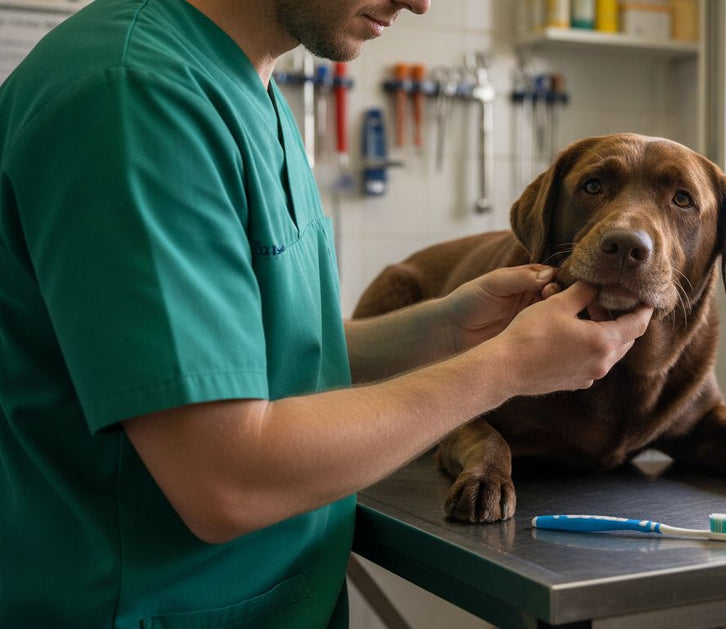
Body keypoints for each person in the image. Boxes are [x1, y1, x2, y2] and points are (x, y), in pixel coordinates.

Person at [0, 0, 653, 626]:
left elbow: (260, 355)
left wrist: (449, 329)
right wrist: (503, 367)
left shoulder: (247, 85)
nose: (419, 2)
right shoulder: (135, 98)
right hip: (144, 605)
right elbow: (226, 479)